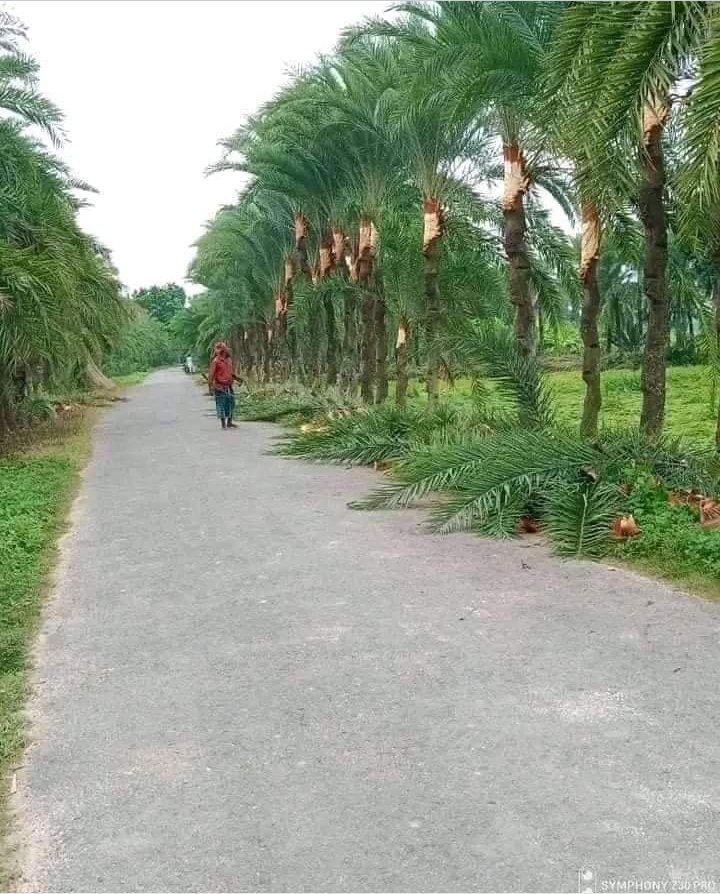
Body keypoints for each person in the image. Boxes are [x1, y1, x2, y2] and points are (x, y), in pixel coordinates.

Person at [207, 341, 237, 429]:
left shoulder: (229, 360)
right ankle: (223, 424)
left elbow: (230, 372)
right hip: (219, 387)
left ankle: (229, 422)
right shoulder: (216, 361)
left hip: (229, 386)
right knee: (221, 405)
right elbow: (211, 375)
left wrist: (236, 378)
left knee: (231, 403)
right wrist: (210, 387)